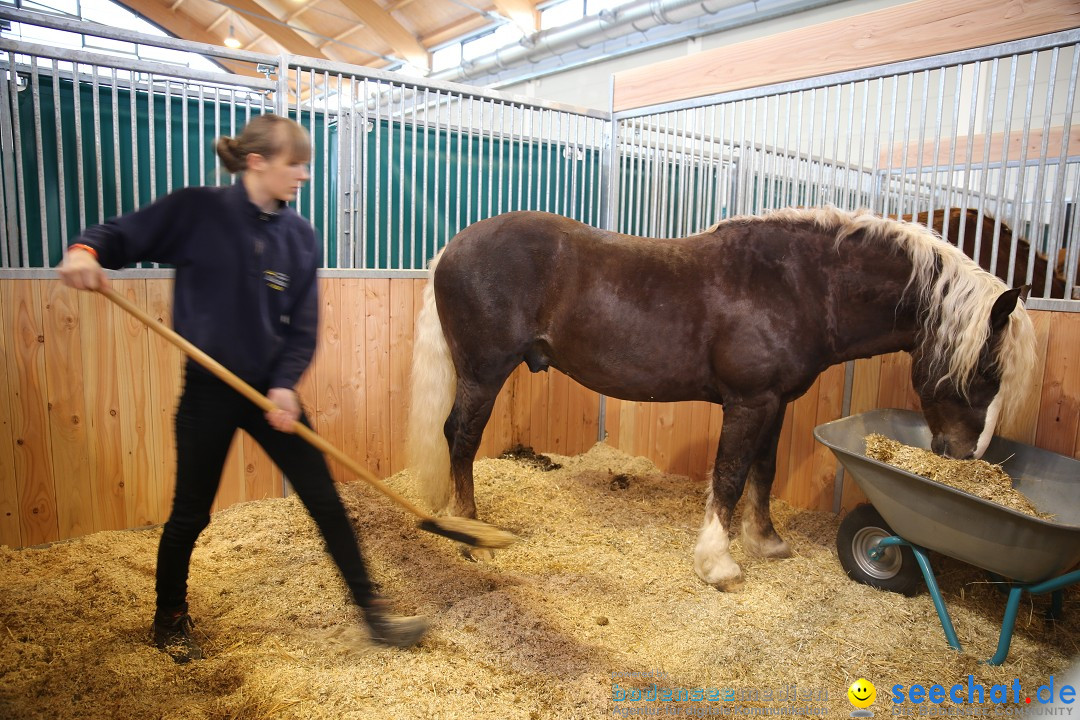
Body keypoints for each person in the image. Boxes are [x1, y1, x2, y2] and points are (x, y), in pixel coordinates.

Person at [58, 114, 428, 662]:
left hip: (271, 395)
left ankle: (375, 612)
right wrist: (84, 253)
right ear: (257, 162)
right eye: (295, 163)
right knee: (191, 513)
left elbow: (302, 328)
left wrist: (284, 386)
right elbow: (118, 236)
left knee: (325, 500)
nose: (304, 174)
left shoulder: (301, 237)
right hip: (208, 390)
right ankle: (171, 619)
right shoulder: (196, 211)